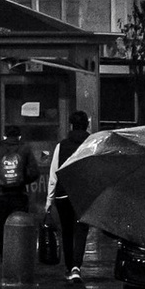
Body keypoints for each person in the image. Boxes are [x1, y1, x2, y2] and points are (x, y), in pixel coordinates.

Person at [50, 107, 91, 279]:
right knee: (81, 230)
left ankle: (69, 267)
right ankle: (76, 266)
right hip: (84, 195)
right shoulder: (93, 144)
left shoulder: (62, 145)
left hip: (63, 194)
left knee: (66, 230)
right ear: (87, 125)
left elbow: (54, 173)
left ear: (71, 125)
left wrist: (48, 200)